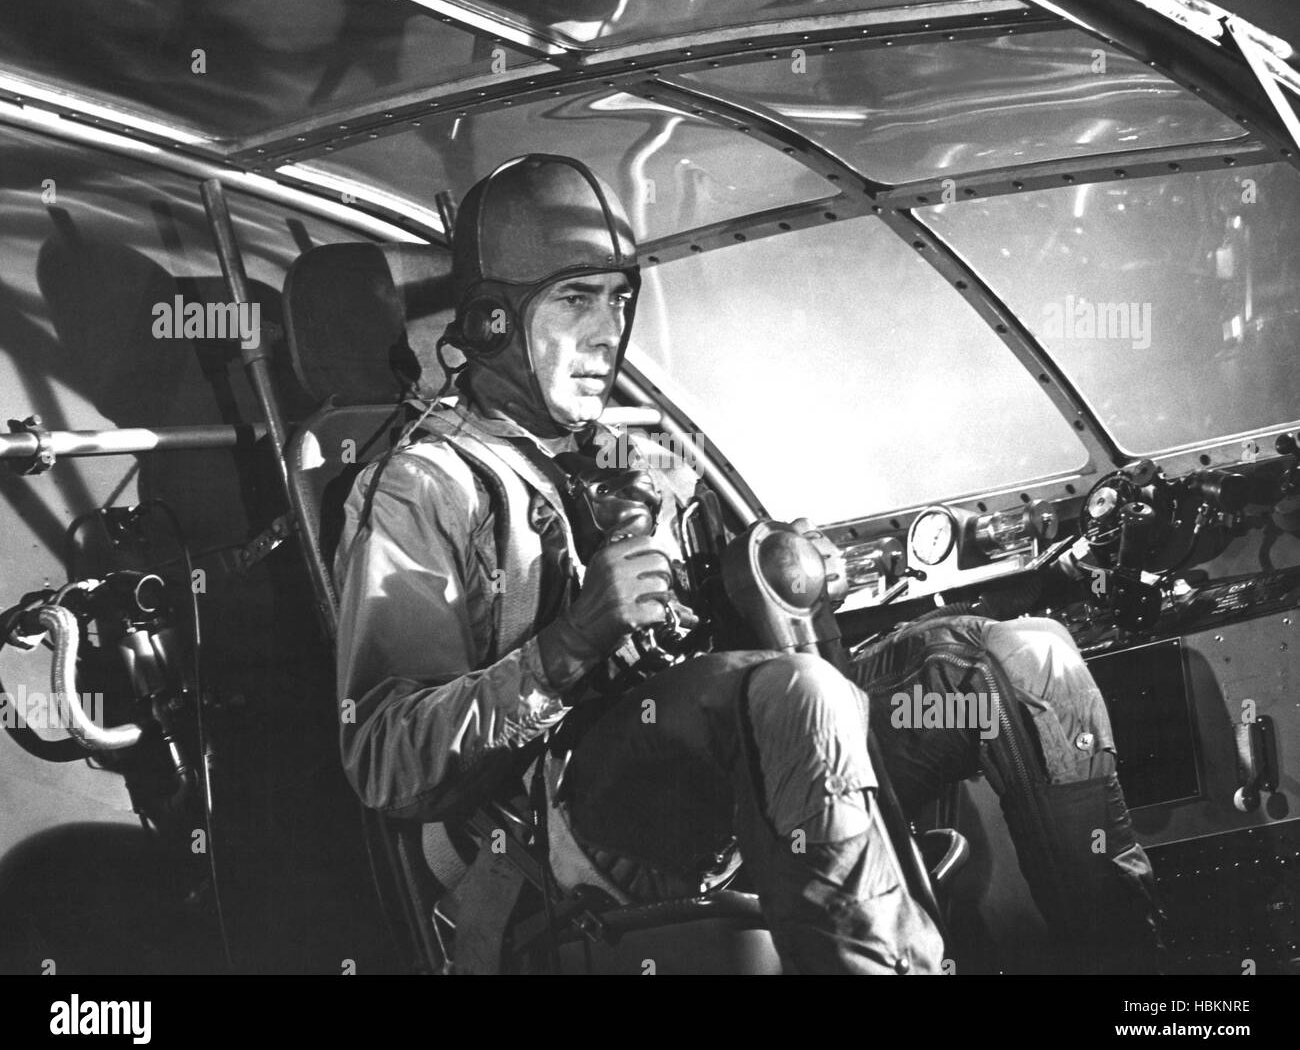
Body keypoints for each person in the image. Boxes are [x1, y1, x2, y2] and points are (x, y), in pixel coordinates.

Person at [333, 152, 1161, 975]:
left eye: (619, 301)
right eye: (575, 299)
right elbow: (386, 760)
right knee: (799, 698)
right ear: (492, 324)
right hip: (590, 830)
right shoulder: (424, 487)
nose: (605, 331)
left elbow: (739, 659)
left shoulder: (638, 455)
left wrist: (770, 584)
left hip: (758, 771)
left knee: (1020, 662)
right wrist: (571, 645)